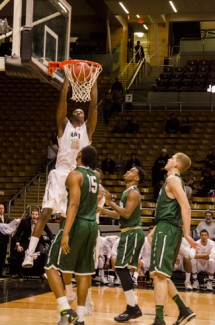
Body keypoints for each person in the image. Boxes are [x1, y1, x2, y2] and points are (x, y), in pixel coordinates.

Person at [22, 75, 98, 268]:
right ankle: (29, 254)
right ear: (71, 116)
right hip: (60, 173)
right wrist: (67, 79)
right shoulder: (63, 127)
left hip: (77, 176)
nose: (79, 112)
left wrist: (95, 78)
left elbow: (94, 105)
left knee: (68, 220)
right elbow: (62, 99)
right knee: (46, 212)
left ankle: (59, 262)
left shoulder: (87, 130)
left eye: (81, 111)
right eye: (76, 110)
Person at [45, 145, 99, 325]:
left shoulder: (75, 175)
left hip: (77, 224)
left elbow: (74, 204)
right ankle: (81, 318)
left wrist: (65, 232)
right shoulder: (95, 177)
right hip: (92, 226)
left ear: (80, 155)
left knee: (50, 266)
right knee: (84, 273)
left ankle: (65, 309)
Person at [149, 152, 200, 325]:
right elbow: (173, 209)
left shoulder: (173, 179)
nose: (168, 160)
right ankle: (184, 310)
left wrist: (187, 233)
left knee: (159, 276)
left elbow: (186, 207)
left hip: (169, 229)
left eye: (172, 158)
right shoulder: (172, 180)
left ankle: (159, 319)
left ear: (177, 164)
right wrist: (155, 228)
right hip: (165, 227)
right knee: (160, 274)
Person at [98, 166, 145, 322]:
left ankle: (133, 307)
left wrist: (110, 202)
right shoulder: (128, 192)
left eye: (131, 171)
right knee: (121, 268)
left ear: (137, 178)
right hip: (128, 232)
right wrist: (101, 209)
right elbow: (120, 215)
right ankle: (132, 307)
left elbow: (126, 213)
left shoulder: (133, 192)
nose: (127, 172)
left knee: (120, 267)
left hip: (132, 232)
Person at [14, 208, 53, 277]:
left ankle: (41, 273)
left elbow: (49, 232)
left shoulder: (41, 222)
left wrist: (53, 240)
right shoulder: (24, 221)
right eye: (33, 214)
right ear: (30, 215)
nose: (34, 216)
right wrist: (18, 245)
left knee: (42, 253)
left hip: (38, 241)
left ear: (38, 215)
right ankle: (19, 273)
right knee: (19, 252)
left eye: (36, 214)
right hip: (26, 241)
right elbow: (17, 234)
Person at [0, 203, 11, 277]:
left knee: (3, 256)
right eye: (0, 208)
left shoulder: (7, 218)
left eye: (2, 208)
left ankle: (1, 271)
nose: (1, 210)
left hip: (4, 240)